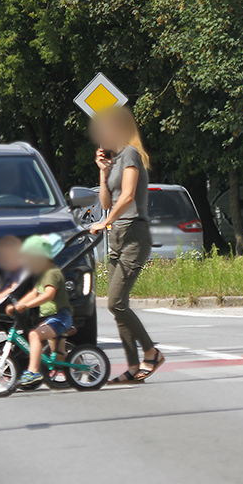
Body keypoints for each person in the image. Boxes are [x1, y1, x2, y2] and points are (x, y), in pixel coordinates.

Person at [89, 105, 164, 384]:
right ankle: (133, 367)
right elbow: (106, 202)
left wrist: (103, 222)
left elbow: (129, 195)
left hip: (134, 233)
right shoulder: (116, 160)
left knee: (116, 302)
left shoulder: (131, 154)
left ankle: (151, 352)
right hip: (118, 235)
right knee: (116, 305)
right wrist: (103, 171)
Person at [7, 233, 73, 388]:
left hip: (60, 317)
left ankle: (33, 371)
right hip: (51, 318)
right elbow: (34, 293)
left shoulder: (51, 273)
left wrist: (28, 306)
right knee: (57, 352)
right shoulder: (42, 275)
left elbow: (49, 295)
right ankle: (74, 369)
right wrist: (18, 306)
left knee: (34, 335)